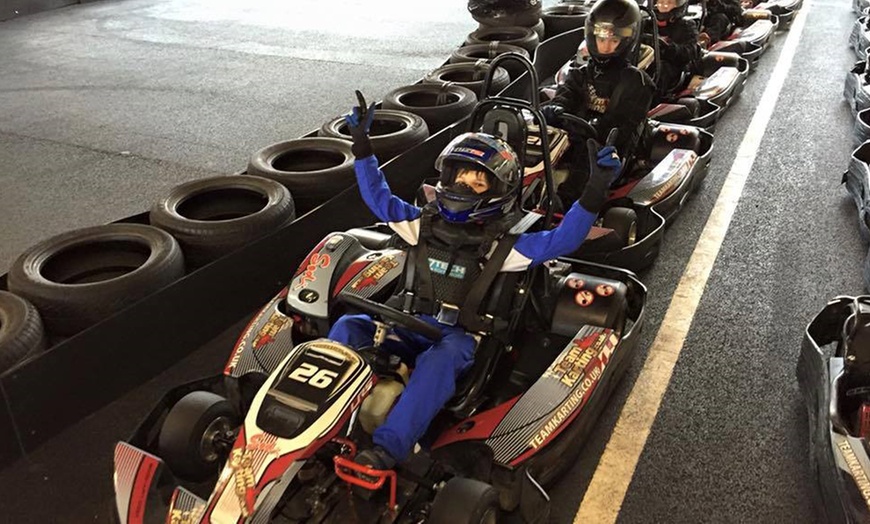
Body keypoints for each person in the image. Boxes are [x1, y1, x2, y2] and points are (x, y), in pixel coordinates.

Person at [329, 91, 622, 472]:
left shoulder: (506, 245)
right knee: (349, 324)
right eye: (461, 176)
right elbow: (378, 198)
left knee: (443, 358)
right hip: (405, 323)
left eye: (477, 183)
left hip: (459, 338)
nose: (465, 186)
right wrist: (363, 148)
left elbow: (563, 240)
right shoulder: (422, 223)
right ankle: (326, 418)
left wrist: (595, 190)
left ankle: (389, 448)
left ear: (498, 192)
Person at [542, 0, 655, 207]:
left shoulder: (637, 82)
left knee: (589, 153)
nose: (605, 47)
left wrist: (585, 128)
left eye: (613, 41)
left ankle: (566, 205)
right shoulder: (580, 74)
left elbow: (621, 127)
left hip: (612, 149)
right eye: (601, 39)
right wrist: (554, 110)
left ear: (627, 41)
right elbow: (565, 96)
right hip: (577, 137)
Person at [647, 0, 702, 97]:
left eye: (668, 3)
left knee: (660, 68)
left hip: (674, 65)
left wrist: (668, 48)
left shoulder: (686, 26)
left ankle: (651, 101)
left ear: (678, 6)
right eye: (660, 2)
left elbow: (690, 52)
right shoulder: (647, 24)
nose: (663, 6)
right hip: (647, 61)